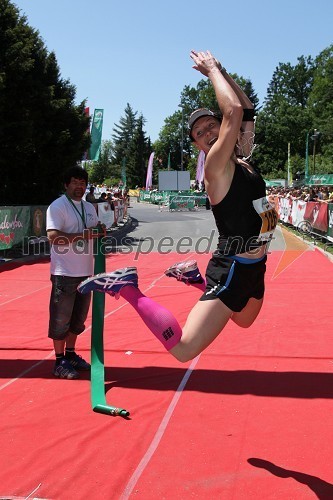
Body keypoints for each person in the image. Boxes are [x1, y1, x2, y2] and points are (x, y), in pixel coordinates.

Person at [78, 50, 278, 363]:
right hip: (233, 266)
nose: (208, 133)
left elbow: (247, 109)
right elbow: (236, 111)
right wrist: (212, 69)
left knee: (244, 319)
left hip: (256, 264)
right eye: (200, 134)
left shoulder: (244, 158)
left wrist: (223, 71)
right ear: (198, 146)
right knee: (184, 349)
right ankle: (129, 288)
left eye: (211, 126)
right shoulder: (216, 166)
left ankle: (193, 278)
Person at [47, 166, 99, 378]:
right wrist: (83, 235)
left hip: (86, 272)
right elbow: (53, 237)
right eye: (75, 182)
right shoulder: (57, 207)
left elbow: (95, 230)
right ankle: (59, 361)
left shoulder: (89, 207)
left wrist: (101, 231)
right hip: (64, 271)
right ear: (66, 184)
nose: (80, 186)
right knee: (61, 319)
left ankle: (70, 354)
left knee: (78, 320)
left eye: (83, 182)